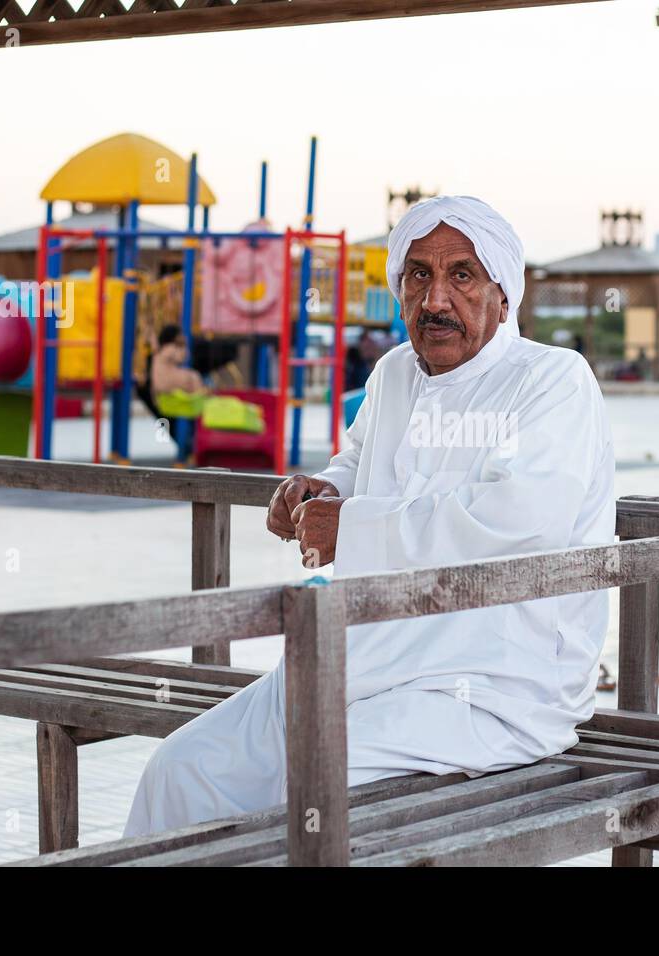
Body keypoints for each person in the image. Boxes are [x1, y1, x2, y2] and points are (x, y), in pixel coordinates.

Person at [124, 197, 616, 835]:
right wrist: (318, 491)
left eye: (461, 275)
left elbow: (520, 521)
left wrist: (349, 526)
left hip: (489, 686)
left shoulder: (552, 380)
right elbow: (357, 464)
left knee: (319, 783)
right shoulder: (393, 374)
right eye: (418, 275)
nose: (436, 299)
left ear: (503, 292)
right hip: (356, 655)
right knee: (183, 770)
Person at [147, 325, 207, 399]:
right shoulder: (170, 347)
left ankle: (195, 397)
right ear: (174, 336)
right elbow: (182, 357)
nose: (183, 336)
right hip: (166, 381)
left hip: (158, 383)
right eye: (180, 334)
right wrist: (183, 345)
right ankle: (199, 399)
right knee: (194, 376)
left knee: (190, 377)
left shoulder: (161, 349)